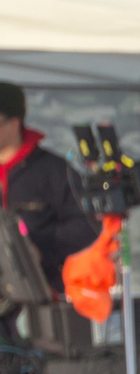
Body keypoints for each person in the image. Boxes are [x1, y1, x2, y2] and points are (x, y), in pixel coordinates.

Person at [0, 82, 102, 295]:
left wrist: (40, 249)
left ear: (13, 123)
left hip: (42, 296)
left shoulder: (53, 170)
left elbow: (88, 224)